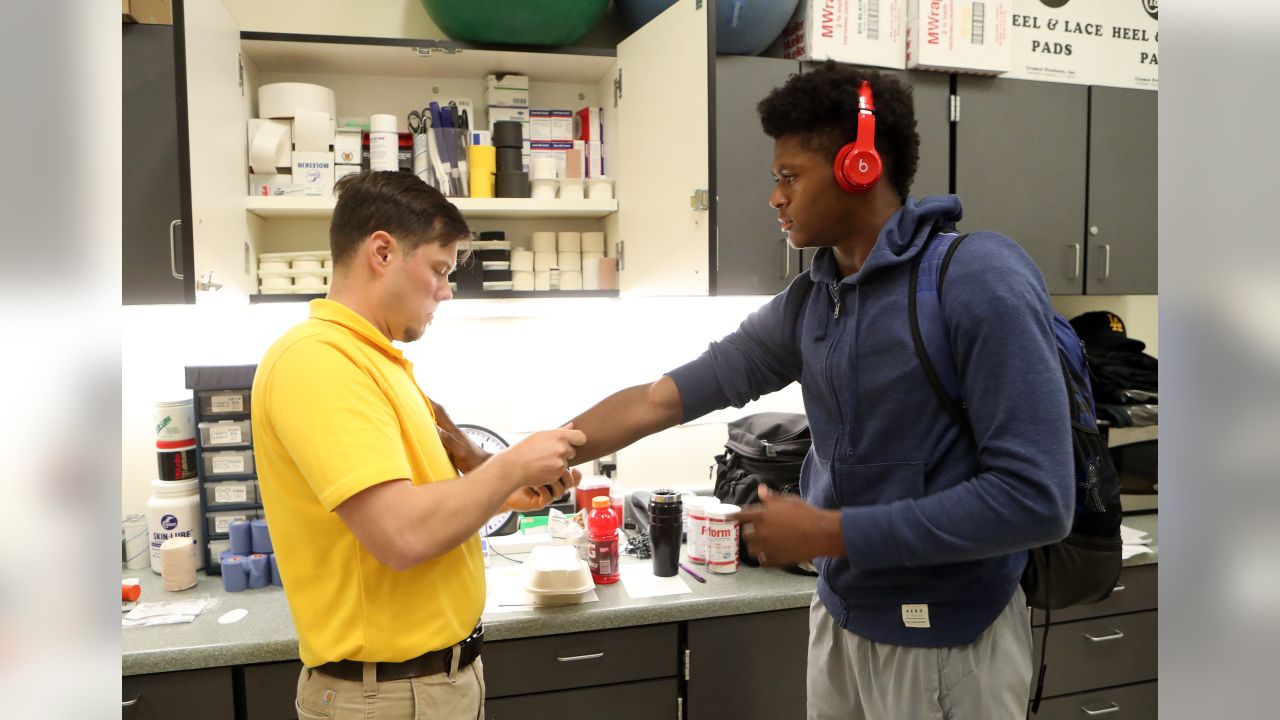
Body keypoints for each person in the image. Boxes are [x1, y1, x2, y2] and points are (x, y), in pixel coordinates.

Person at [565, 62, 1075, 718]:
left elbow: (1037, 500)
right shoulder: (811, 300)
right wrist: (528, 462)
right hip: (838, 621)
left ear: (858, 168)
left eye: (788, 177)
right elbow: (661, 399)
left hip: (948, 638)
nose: (775, 198)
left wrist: (831, 533)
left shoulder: (976, 279)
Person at [251, 170, 585, 720]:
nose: (447, 290)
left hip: (430, 686)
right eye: (438, 269)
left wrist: (500, 494)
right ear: (382, 252)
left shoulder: (374, 361)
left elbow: (415, 504)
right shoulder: (317, 361)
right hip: (384, 698)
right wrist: (508, 467)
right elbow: (401, 534)